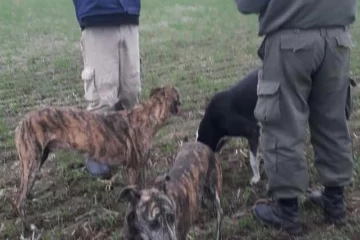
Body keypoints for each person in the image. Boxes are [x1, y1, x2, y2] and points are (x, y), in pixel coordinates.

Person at [234, 0, 357, 235]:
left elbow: (247, 4)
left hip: (291, 41)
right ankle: (335, 200)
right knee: (333, 122)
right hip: (338, 39)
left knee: (282, 126)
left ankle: (287, 210)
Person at [72, 0, 141, 179]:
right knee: (102, 96)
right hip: (97, 14)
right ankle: (96, 150)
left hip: (129, 16)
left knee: (130, 91)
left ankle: (122, 143)